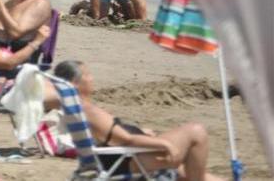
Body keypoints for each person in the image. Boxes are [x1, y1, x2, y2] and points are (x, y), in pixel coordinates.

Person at [50, 60, 221, 181]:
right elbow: (126, 139)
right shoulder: (89, 111)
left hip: (125, 155)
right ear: (75, 83)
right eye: (87, 75)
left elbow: (111, 135)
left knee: (193, 174)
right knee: (196, 131)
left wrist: (142, 132)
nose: (92, 78)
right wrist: (165, 144)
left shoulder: (78, 108)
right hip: (128, 158)